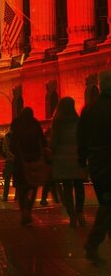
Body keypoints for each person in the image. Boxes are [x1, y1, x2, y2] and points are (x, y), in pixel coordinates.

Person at [78, 70, 111, 264]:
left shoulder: (89, 110)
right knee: (108, 205)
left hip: (97, 165)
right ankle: (93, 243)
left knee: (107, 203)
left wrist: (82, 163)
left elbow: (81, 140)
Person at [50, 96, 86, 228]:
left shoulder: (57, 122)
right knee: (79, 185)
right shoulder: (78, 120)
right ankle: (80, 212)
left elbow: (54, 142)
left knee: (67, 188)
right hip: (77, 157)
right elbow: (83, 139)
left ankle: (72, 215)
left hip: (62, 159)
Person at [10, 107, 47, 226]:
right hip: (34, 159)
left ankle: (24, 212)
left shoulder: (16, 126)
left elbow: (13, 146)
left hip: (21, 161)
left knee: (21, 188)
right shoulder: (35, 124)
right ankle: (28, 210)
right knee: (33, 185)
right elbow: (43, 141)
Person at [1, 130, 15, 202]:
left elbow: (4, 149)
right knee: (18, 179)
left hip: (9, 161)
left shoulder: (7, 136)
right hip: (17, 161)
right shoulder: (18, 134)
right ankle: (18, 196)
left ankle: (5, 196)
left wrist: (9, 156)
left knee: (7, 179)